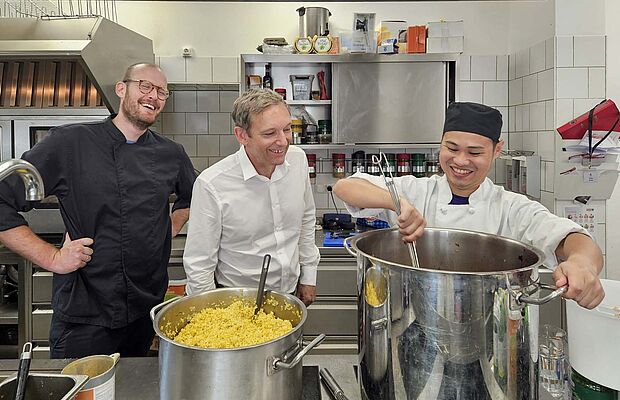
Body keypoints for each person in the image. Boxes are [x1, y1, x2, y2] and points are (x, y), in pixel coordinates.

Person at [0, 63, 197, 358]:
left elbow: (193, 196)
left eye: (161, 92)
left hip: (145, 309)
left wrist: (169, 227)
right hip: (86, 312)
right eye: (145, 86)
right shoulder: (69, 143)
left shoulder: (171, 153)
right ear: (121, 89)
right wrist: (53, 257)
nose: (153, 96)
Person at [334, 102, 604, 309]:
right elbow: (345, 187)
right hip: (411, 319)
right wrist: (395, 202)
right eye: (451, 148)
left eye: (474, 153)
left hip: (486, 331)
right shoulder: (415, 190)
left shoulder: (510, 207)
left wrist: (582, 264)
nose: (460, 161)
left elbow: (574, 238)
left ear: (497, 150)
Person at [183, 89, 320, 306]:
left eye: (286, 129)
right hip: (234, 302)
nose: (283, 141)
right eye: (269, 134)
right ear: (242, 135)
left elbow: (305, 219)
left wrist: (309, 276)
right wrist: (211, 316)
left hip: (289, 293)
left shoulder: (298, 160)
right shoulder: (212, 184)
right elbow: (199, 264)